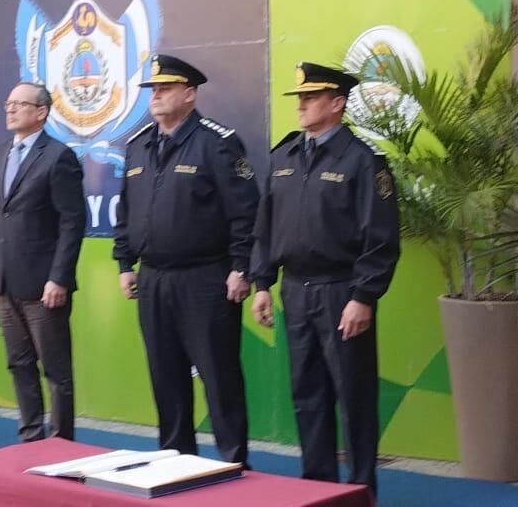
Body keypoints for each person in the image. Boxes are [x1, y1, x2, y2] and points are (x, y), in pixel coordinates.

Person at [250, 62, 400, 496]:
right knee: (307, 393)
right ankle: (316, 487)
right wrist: (263, 284)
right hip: (295, 290)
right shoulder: (284, 155)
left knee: (353, 396)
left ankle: (359, 490)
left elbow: (381, 236)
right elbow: (266, 228)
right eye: (299, 98)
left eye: (310, 98)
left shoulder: (363, 161)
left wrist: (364, 296)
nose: (301, 105)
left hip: (341, 291)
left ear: (337, 104)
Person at [113, 54, 258, 465]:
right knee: (166, 375)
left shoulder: (218, 142)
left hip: (207, 279)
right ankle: (176, 460)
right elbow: (127, 211)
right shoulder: (139, 145)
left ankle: (233, 462)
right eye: (153, 90)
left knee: (218, 376)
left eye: (165, 89)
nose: (156, 96)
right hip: (154, 279)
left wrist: (240, 267)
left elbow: (245, 211)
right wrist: (125, 263)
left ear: (190, 95)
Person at [0, 82, 85, 442]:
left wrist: (59, 278)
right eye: (8, 103)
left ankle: (60, 443)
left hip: (44, 287)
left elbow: (72, 222)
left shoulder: (58, 156)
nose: (10, 110)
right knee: (19, 364)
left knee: (55, 371)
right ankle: (30, 438)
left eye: (19, 104)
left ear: (41, 112)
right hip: (7, 283)